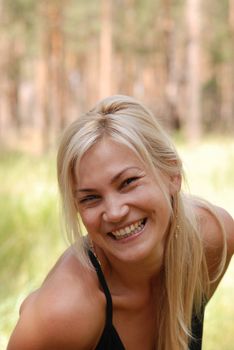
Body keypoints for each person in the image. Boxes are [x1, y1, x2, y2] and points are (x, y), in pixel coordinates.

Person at [7, 95, 234, 350]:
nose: (114, 213)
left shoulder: (212, 239)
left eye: (128, 182)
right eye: (91, 198)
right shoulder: (64, 310)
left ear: (173, 175)